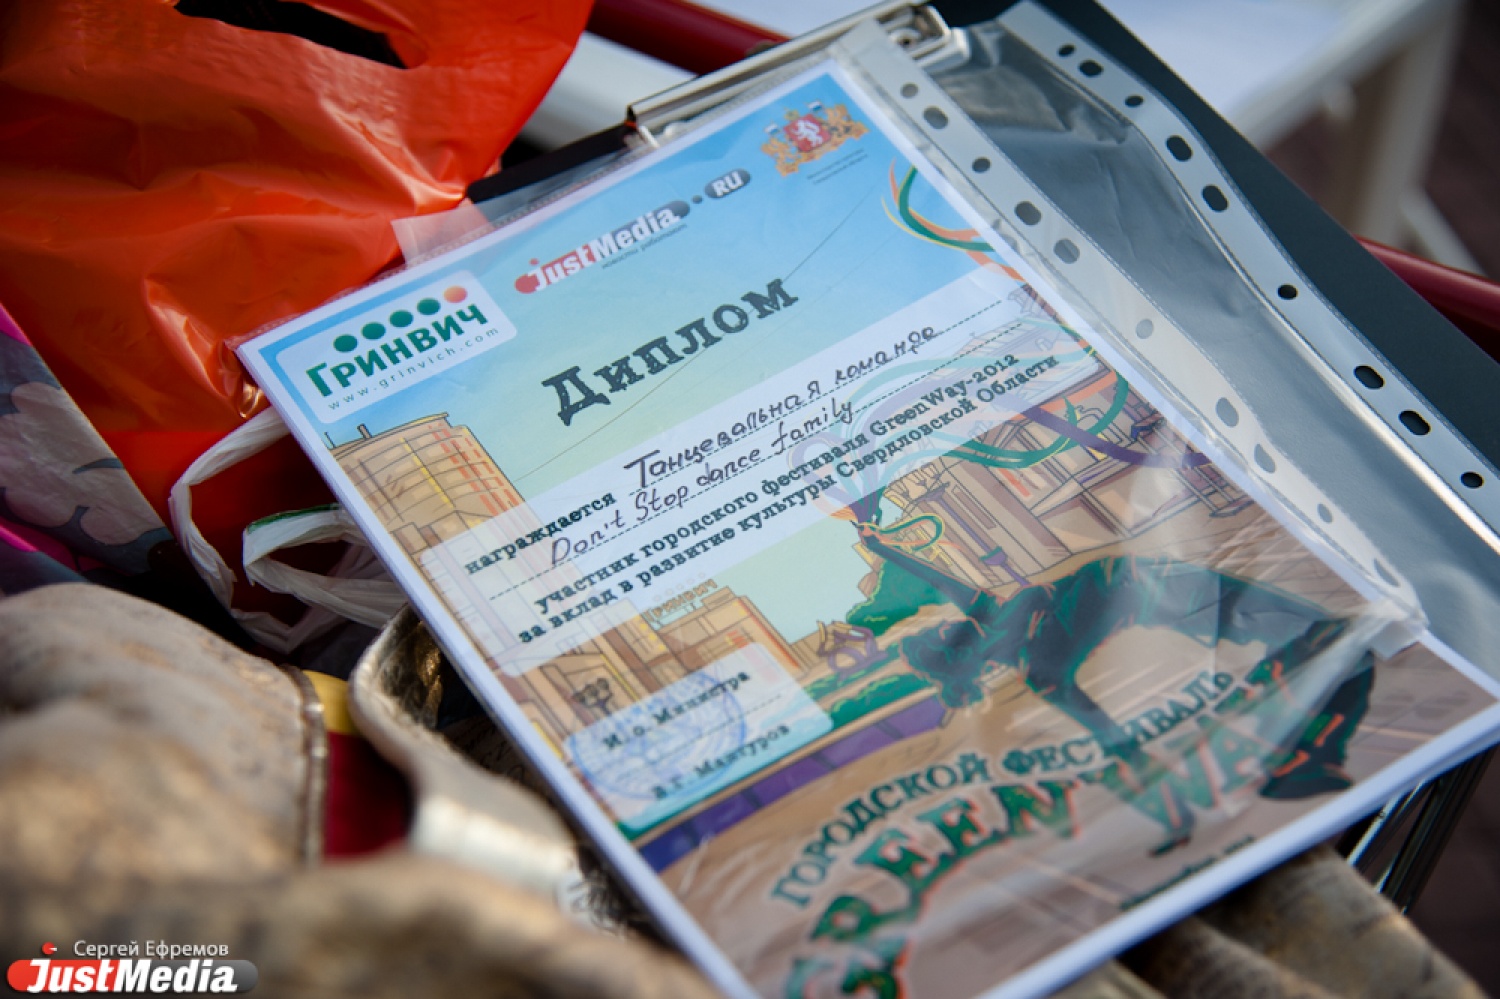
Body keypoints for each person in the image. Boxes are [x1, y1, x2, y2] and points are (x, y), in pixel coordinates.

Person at [858, 525, 1374, 851]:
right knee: (1331, 641)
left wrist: (881, 546)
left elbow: (933, 576)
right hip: (1157, 590)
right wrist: (1171, 819)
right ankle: (1309, 750)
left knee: (1330, 639)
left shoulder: (998, 626)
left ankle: (1309, 748)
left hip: (1153, 585)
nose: (945, 625)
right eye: (940, 637)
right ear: (958, 661)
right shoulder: (1032, 664)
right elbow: (1120, 747)